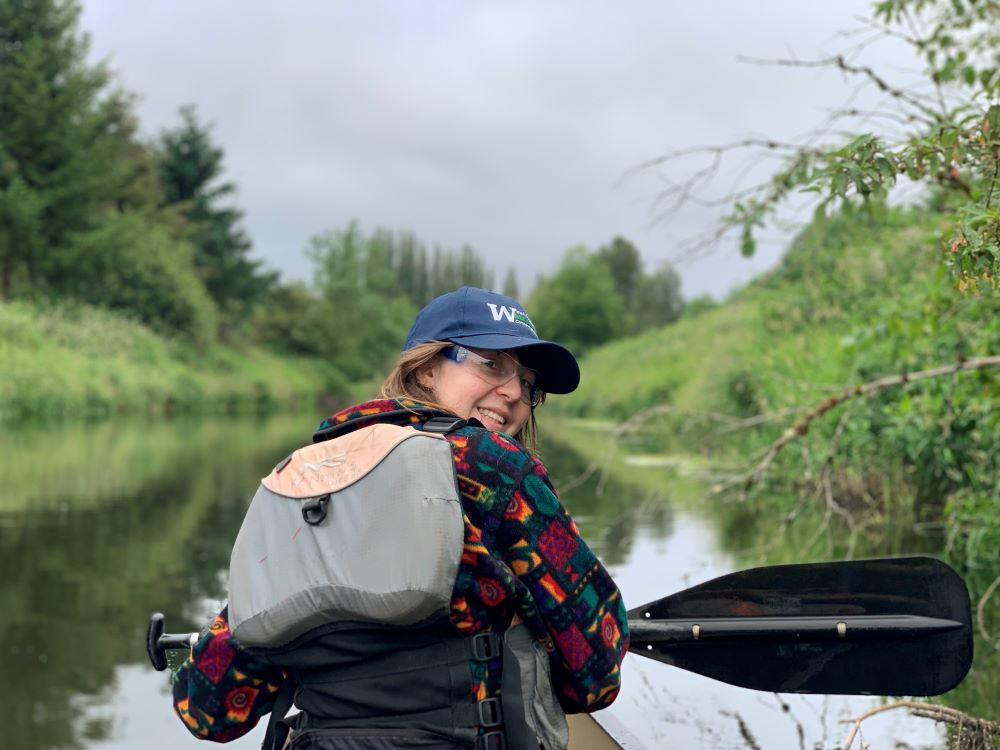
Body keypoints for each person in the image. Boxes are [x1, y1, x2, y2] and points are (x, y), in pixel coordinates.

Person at [172, 287, 629, 749]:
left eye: (530, 383)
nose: (515, 392)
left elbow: (209, 709)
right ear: (427, 368)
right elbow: (596, 673)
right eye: (491, 363)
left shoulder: (305, 476)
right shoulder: (493, 466)